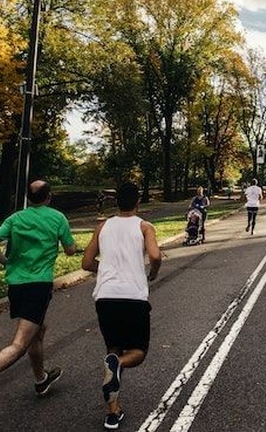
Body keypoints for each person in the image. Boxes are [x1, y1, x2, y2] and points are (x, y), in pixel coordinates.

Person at [0, 180, 78, 422]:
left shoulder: (15, 218)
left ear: (28, 197)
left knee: (38, 331)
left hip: (16, 285)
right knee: (20, 343)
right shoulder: (57, 218)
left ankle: (41, 380)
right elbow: (71, 250)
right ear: (49, 197)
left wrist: (7, 262)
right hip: (38, 286)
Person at [82, 182, 163, 430]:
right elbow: (156, 256)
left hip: (105, 296)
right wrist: (153, 273)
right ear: (138, 202)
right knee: (137, 352)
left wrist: (105, 269)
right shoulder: (144, 226)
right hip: (133, 296)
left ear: (116, 202)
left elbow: (86, 263)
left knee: (113, 350)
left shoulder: (102, 226)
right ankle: (119, 367)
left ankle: (112, 412)